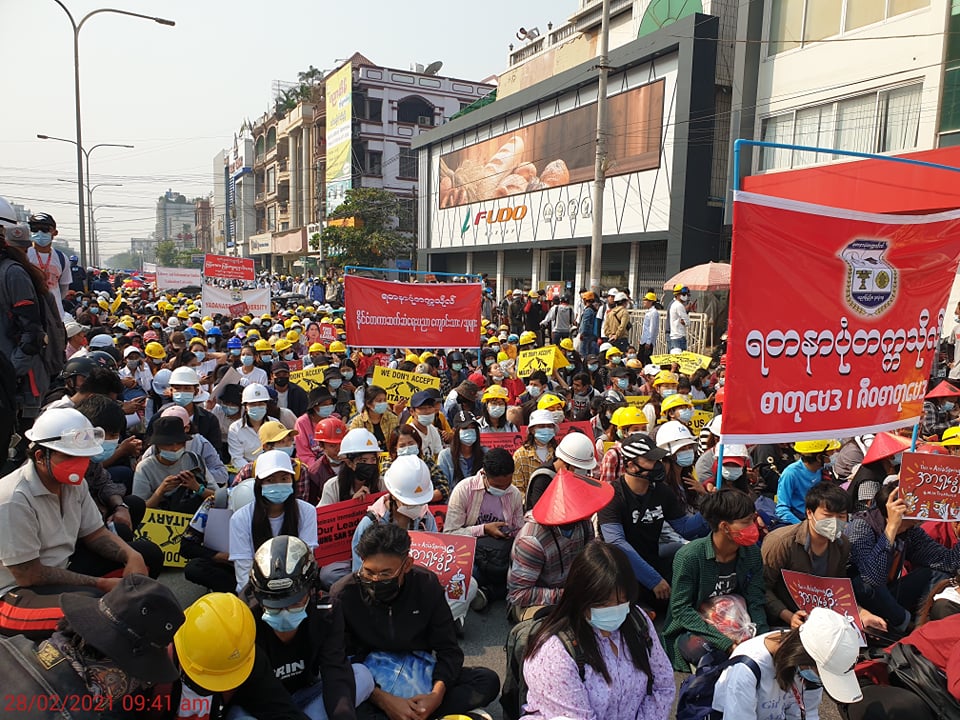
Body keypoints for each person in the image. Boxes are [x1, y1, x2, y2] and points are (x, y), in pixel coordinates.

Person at [0, 408, 156, 639]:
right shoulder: (13, 498)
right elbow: (28, 574)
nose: (80, 465)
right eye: (70, 457)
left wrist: (131, 556)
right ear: (41, 456)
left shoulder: (74, 484)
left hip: (62, 569)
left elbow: (95, 533)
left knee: (147, 553)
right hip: (15, 594)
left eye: (84, 457)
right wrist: (101, 584)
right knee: (97, 611)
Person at [331, 523, 501, 719]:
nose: (376, 580)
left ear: (407, 565)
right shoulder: (343, 594)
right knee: (342, 707)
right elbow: (338, 660)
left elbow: (449, 650)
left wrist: (436, 695)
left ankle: (417, 713)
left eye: (386, 574)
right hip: (370, 680)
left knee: (486, 681)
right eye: (369, 572)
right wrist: (382, 699)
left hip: (420, 672)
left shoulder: (427, 585)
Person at [520, 542, 676, 720]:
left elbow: (663, 684)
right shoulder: (553, 653)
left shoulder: (636, 620)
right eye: (603, 604)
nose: (615, 610)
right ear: (580, 598)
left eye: (621, 601)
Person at [0, 575, 184, 716]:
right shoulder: (75, 713)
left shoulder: (9, 646)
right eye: (144, 678)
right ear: (117, 674)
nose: (143, 686)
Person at [246, 536, 372, 720]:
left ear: (312, 590)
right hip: (262, 704)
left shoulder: (326, 611)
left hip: (306, 693)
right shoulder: (244, 618)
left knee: (362, 676)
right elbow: (256, 692)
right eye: (273, 605)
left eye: (295, 603)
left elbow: (335, 669)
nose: (284, 611)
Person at [598, 433, 708, 608]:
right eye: (651, 460)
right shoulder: (612, 496)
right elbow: (616, 543)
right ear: (631, 466)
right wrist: (653, 579)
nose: (658, 465)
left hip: (652, 561)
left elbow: (685, 528)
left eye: (658, 460)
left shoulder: (662, 491)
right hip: (619, 572)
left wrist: (712, 510)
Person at [662, 488, 769, 670]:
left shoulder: (751, 553)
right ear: (724, 527)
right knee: (714, 659)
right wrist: (724, 642)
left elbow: (755, 598)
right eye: (746, 522)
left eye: (753, 519)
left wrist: (761, 638)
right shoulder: (690, 556)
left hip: (739, 623)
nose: (753, 526)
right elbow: (681, 609)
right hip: (694, 629)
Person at [170, 592, 312, 719]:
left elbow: (279, 708)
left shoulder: (246, 658)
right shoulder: (154, 673)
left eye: (228, 675)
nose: (223, 684)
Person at [848, 479, 960, 632]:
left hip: (891, 595)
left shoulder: (911, 532)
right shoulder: (862, 527)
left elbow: (948, 562)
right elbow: (872, 579)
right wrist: (892, 528)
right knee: (864, 585)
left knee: (938, 574)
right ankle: (907, 627)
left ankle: (923, 627)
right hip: (860, 604)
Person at [712, 607, 862, 718]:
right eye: (822, 675)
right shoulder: (746, 670)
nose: (820, 681)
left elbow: (808, 713)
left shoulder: (805, 665)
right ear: (803, 656)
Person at [507, 469, 612, 622]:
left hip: (574, 591)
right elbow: (519, 595)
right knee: (560, 625)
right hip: (536, 603)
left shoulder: (583, 523)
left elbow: (590, 556)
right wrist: (567, 594)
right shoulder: (532, 540)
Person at [229, 449, 320, 594]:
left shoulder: (307, 511)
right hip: (258, 590)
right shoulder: (240, 518)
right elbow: (243, 567)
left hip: (296, 590)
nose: (278, 484)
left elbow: (306, 558)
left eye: (284, 479)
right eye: (270, 480)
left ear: (292, 481)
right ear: (259, 484)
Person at [445, 447, 523, 612]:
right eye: (497, 486)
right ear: (484, 475)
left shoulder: (514, 494)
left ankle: (488, 592)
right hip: (472, 555)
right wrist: (484, 529)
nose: (503, 490)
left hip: (501, 555)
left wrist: (510, 533)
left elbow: (519, 531)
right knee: (467, 576)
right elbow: (450, 534)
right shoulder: (464, 490)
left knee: (525, 571)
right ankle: (493, 590)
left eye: (507, 485)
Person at [133, 415, 213, 513]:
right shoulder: (144, 467)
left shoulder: (194, 460)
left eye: (179, 443)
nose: (175, 448)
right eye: (168, 444)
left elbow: (218, 497)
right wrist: (161, 491)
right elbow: (139, 510)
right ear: (157, 445)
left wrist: (197, 487)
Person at [525, 429, 598, 511]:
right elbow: (540, 512)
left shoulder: (571, 478)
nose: (582, 473)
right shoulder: (543, 478)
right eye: (579, 468)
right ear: (567, 464)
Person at [775, 439, 840, 525]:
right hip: (801, 520)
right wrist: (805, 527)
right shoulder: (790, 474)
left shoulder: (822, 471)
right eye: (830, 453)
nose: (833, 455)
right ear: (819, 457)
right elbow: (782, 510)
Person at [26, 213, 72, 320]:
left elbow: (64, 288)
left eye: (45, 229)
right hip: (31, 316)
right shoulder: (25, 255)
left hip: (55, 315)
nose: (40, 233)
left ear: (54, 232)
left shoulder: (62, 258)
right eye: (35, 229)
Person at [229, 383, 279, 469]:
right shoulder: (235, 428)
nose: (257, 407)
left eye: (261, 403)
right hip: (246, 470)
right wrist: (254, 471)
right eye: (252, 404)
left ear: (266, 405)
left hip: (272, 467)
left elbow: (280, 450)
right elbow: (237, 458)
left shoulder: (275, 424)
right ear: (245, 407)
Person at [512, 410, 558, 498]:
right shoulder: (520, 455)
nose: (546, 429)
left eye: (549, 426)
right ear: (532, 430)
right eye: (541, 426)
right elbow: (518, 489)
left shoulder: (558, 453)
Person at [436, 409, 484, 491]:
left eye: (473, 428)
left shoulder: (485, 453)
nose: (469, 431)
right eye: (465, 428)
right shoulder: (445, 456)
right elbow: (444, 487)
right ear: (455, 431)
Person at [638, 292, 660, 364]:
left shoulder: (653, 313)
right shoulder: (649, 312)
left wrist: (648, 341)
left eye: (646, 300)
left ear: (651, 302)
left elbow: (652, 328)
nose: (644, 302)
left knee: (645, 360)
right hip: (644, 340)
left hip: (647, 341)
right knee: (640, 358)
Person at [668, 284, 690, 352]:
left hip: (677, 337)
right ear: (677, 295)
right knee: (676, 361)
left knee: (678, 360)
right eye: (683, 294)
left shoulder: (675, 304)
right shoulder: (679, 306)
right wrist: (686, 321)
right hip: (678, 337)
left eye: (686, 294)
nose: (685, 296)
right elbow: (687, 322)